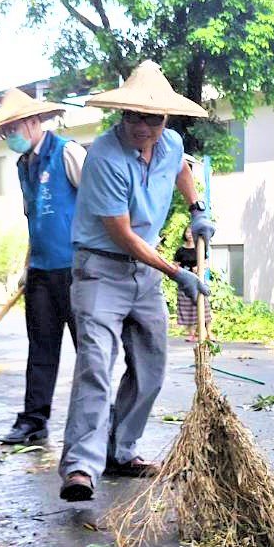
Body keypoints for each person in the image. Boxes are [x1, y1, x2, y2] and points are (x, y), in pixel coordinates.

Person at [59, 61, 214, 502]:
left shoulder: (170, 143)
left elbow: (181, 167)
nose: (144, 126)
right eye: (135, 116)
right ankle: (80, 468)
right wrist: (177, 272)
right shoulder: (104, 157)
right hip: (100, 269)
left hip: (143, 272)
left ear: (166, 118)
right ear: (122, 114)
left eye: (154, 118)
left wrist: (197, 206)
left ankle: (120, 451)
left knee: (151, 366)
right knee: (96, 366)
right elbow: (122, 234)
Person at [0, 87, 87, 446]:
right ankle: (33, 421)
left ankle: (93, 422)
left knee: (88, 349)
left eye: (14, 129)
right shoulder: (23, 164)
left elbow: (101, 203)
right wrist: (27, 266)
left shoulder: (68, 152)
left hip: (77, 269)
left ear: (35, 121)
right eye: (5, 132)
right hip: (41, 270)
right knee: (40, 347)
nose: (9, 137)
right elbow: (34, 219)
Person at [173, 226, 211, 343]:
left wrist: (199, 268)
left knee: (204, 306)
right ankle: (191, 333)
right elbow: (175, 266)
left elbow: (205, 264)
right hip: (185, 282)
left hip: (198, 281)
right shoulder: (180, 251)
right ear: (184, 234)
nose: (189, 234)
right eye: (187, 232)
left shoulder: (200, 248)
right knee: (187, 308)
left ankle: (209, 332)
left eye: (191, 232)